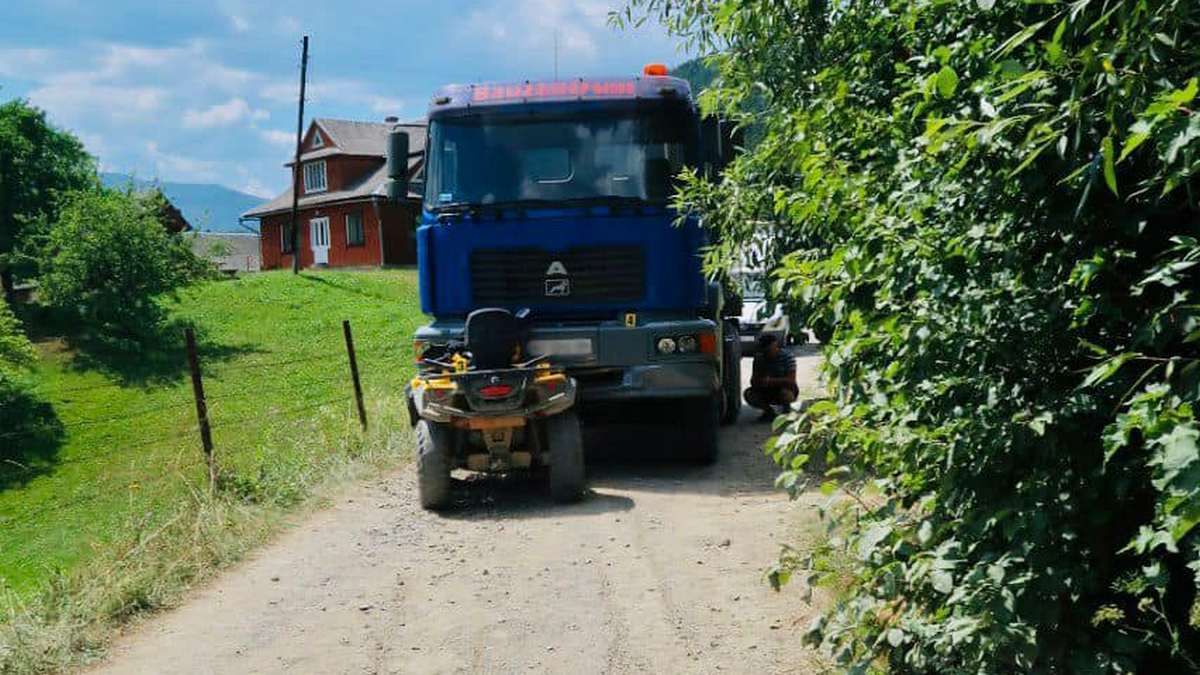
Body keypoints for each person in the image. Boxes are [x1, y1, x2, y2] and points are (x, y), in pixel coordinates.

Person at [744, 333, 798, 422]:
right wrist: (759, 381)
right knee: (749, 394)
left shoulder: (787, 357)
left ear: (775, 346)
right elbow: (753, 380)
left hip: (784, 388)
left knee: (786, 393)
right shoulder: (759, 358)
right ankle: (769, 412)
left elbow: (791, 381)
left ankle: (786, 410)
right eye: (764, 350)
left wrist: (770, 381)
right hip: (765, 389)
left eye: (769, 350)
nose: (767, 353)